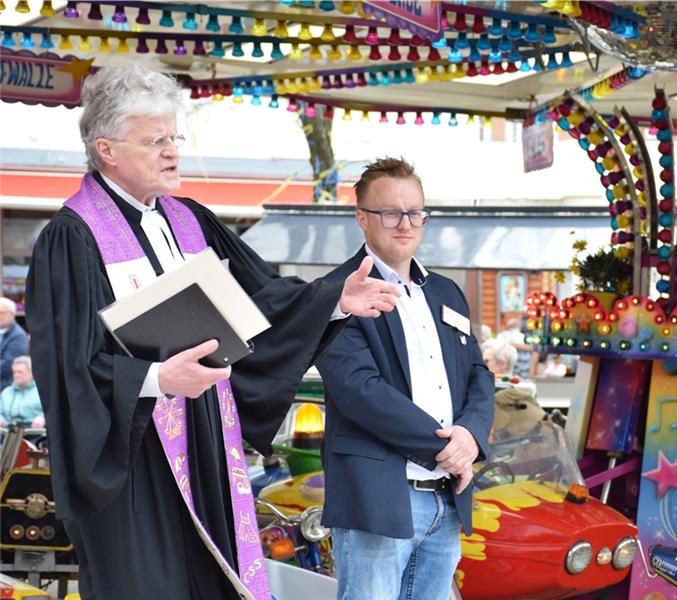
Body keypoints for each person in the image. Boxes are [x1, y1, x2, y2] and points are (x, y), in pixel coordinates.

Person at [25, 63, 399, 600]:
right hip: (132, 456)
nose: (172, 151)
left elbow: (261, 298)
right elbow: (66, 365)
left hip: (205, 438)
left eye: (174, 137)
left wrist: (332, 299)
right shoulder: (72, 237)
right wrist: (155, 378)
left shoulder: (189, 219)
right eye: (155, 141)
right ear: (107, 150)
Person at [316, 157, 495, 600]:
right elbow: (360, 390)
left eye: (415, 212)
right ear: (361, 218)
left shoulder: (446, 292)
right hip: (380, 498)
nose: (406, 224)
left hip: (446, 498)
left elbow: (478, 373)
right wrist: (446, 450)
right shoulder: (338, 293)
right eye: (390, 212)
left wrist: (470, 437)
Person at [0, 356, 44, 428]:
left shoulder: (41, 391)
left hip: (34, 433)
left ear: (31, 373)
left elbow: (52, 412)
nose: (16, 375)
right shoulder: (6, 392)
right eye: (14, 372)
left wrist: (43, 418)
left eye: (20, 372)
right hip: (9, 433)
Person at [0, 297, 29, 391]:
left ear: (12, 315)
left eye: (2, 313)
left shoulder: (18, 336)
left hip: (5, 387)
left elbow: (8, 364)